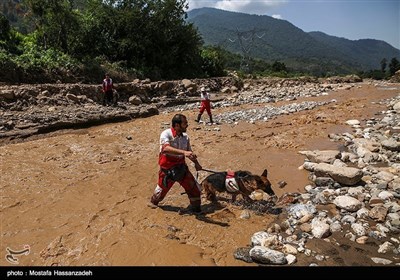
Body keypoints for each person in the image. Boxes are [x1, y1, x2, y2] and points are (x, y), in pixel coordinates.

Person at [149, 114, 203, 213]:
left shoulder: (185, 137)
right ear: (177, 125)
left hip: (181, 168)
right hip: (167, 170)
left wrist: (196, 163)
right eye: (185, 123)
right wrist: (184, 152)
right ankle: (153, 203)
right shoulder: (166, 134)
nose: (187, 125)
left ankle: (196, 209)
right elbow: (165, 149)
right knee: (159, 193)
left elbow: (189, 152)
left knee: (194, 189)